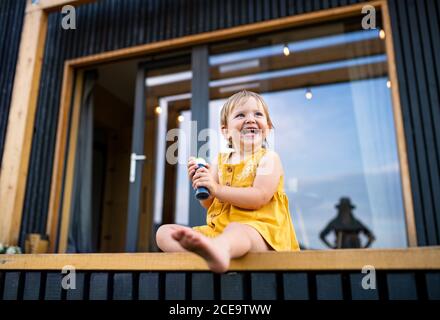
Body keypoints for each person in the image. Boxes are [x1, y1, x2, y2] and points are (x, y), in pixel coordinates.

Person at [156, 90, 300, 273]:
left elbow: (260, 196)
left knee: (237, 230)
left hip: (261, 234)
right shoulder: (220, 162)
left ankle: (218, 250)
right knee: (164, 233)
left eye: (258, 114)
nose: (250, 119)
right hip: (219, 233)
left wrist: (216, 188)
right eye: (241, 115)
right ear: (225, 131)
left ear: (268, 128)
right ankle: (208, 252)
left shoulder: (269, 158)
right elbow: (209, 203)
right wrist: (203, 183)